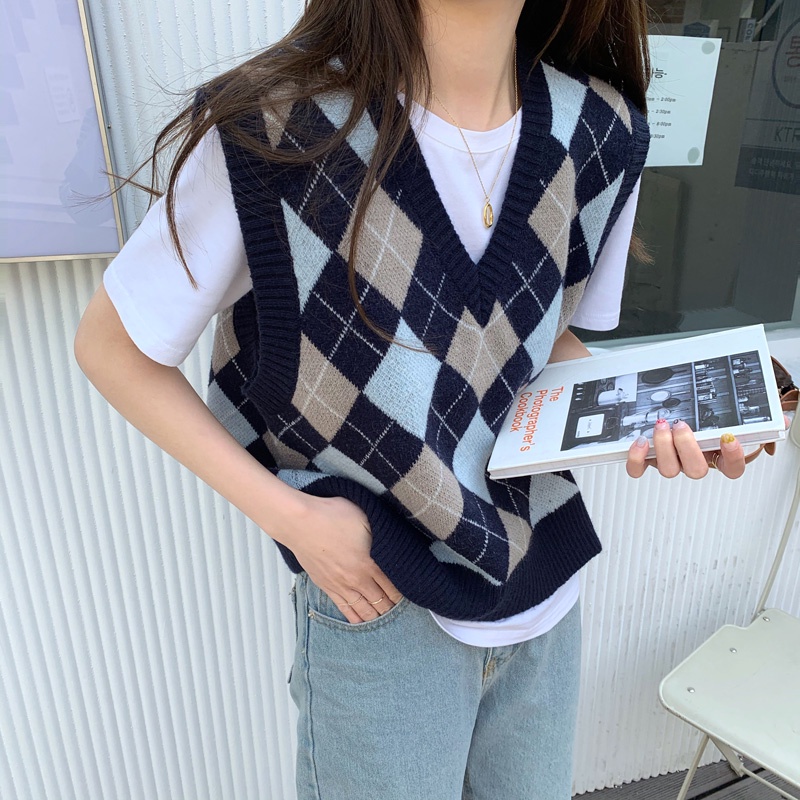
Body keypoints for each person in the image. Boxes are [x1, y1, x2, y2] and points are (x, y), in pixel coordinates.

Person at [74, 1, 748, 797]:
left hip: (544, 596)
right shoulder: (278, 131)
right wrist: (293, 519)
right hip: (382, 605)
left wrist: (667, 416)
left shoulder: (601, 131)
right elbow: (112, 349)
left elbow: (541, 342)